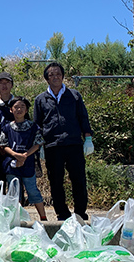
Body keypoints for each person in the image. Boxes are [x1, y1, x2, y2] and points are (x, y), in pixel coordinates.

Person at [33, 61, 94, 220]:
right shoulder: (40, 99)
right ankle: (62, 213)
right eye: (51, 74)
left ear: (63, 76)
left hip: (74, 143)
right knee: (56, 181)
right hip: (52, 146)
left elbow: (83, 117)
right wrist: (39, 145)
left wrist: (88, 138)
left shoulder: (74, 95)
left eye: (58, 74)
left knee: (79, 179)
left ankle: (80, 213)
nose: (55, 77)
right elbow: (37, 124)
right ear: (47, 78)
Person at [0, 96, 47, 221]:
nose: (19, 109)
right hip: (11, 164)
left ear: (26, 110)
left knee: (32, 190)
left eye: (22, 107)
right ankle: (16, 220)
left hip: (29, 163)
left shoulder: (33, 126)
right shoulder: (7, 127)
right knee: (14, 193)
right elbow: (3, 145)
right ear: (11, 110)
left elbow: (38, 143)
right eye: (16, 107)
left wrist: (24, 156)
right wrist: (16, 155)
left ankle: (43, 217)